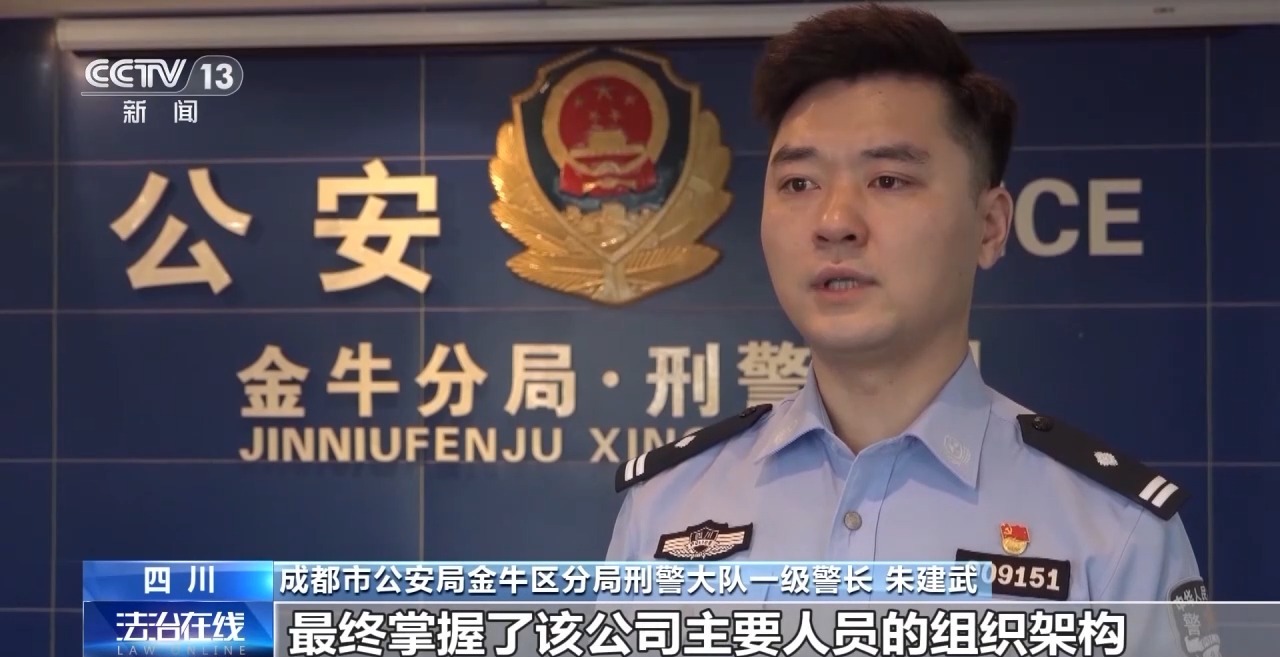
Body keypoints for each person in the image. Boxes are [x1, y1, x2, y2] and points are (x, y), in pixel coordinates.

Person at [607, 1, 1211, 623]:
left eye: (888, 180)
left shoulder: (1114, 533)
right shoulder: (667, 507)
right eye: (799, 183)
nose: (834, 222)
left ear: (990, 225)